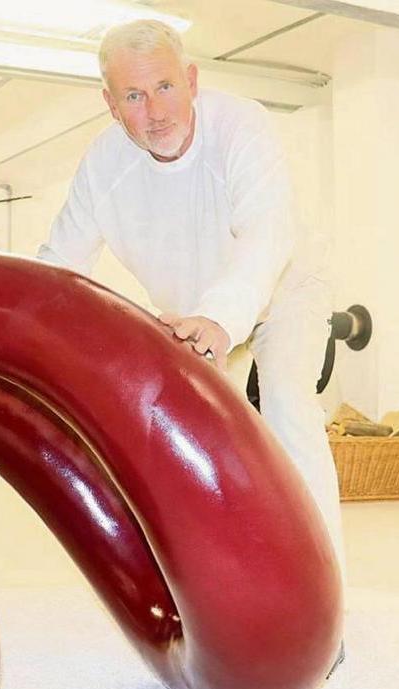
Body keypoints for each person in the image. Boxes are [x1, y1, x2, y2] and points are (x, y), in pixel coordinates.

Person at [38, 20, 346, 593]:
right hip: (190, 313)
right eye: (133, 96)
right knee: (202, 436)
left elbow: (265, 235)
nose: (154, 111)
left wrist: (223, 318)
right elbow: (58, 268)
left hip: (283, 286)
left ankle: (323, 592)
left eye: (164, 87)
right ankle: (227, 579)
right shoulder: (103, 167)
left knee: (285, 402)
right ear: (110, 104)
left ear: (192, 81)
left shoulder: (241, 126)